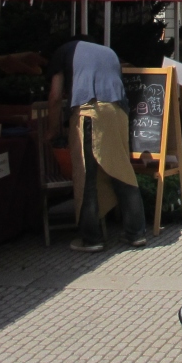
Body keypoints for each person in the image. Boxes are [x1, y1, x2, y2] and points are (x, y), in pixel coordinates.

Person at [46, 35, 147, 252]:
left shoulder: (64, 51)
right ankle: (136, 233)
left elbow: (54, 96)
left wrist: (52, 130)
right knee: (122, 171)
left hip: (91, 112)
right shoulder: (109, 52)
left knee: (86, 175)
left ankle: (91, 239)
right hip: (119, 113)